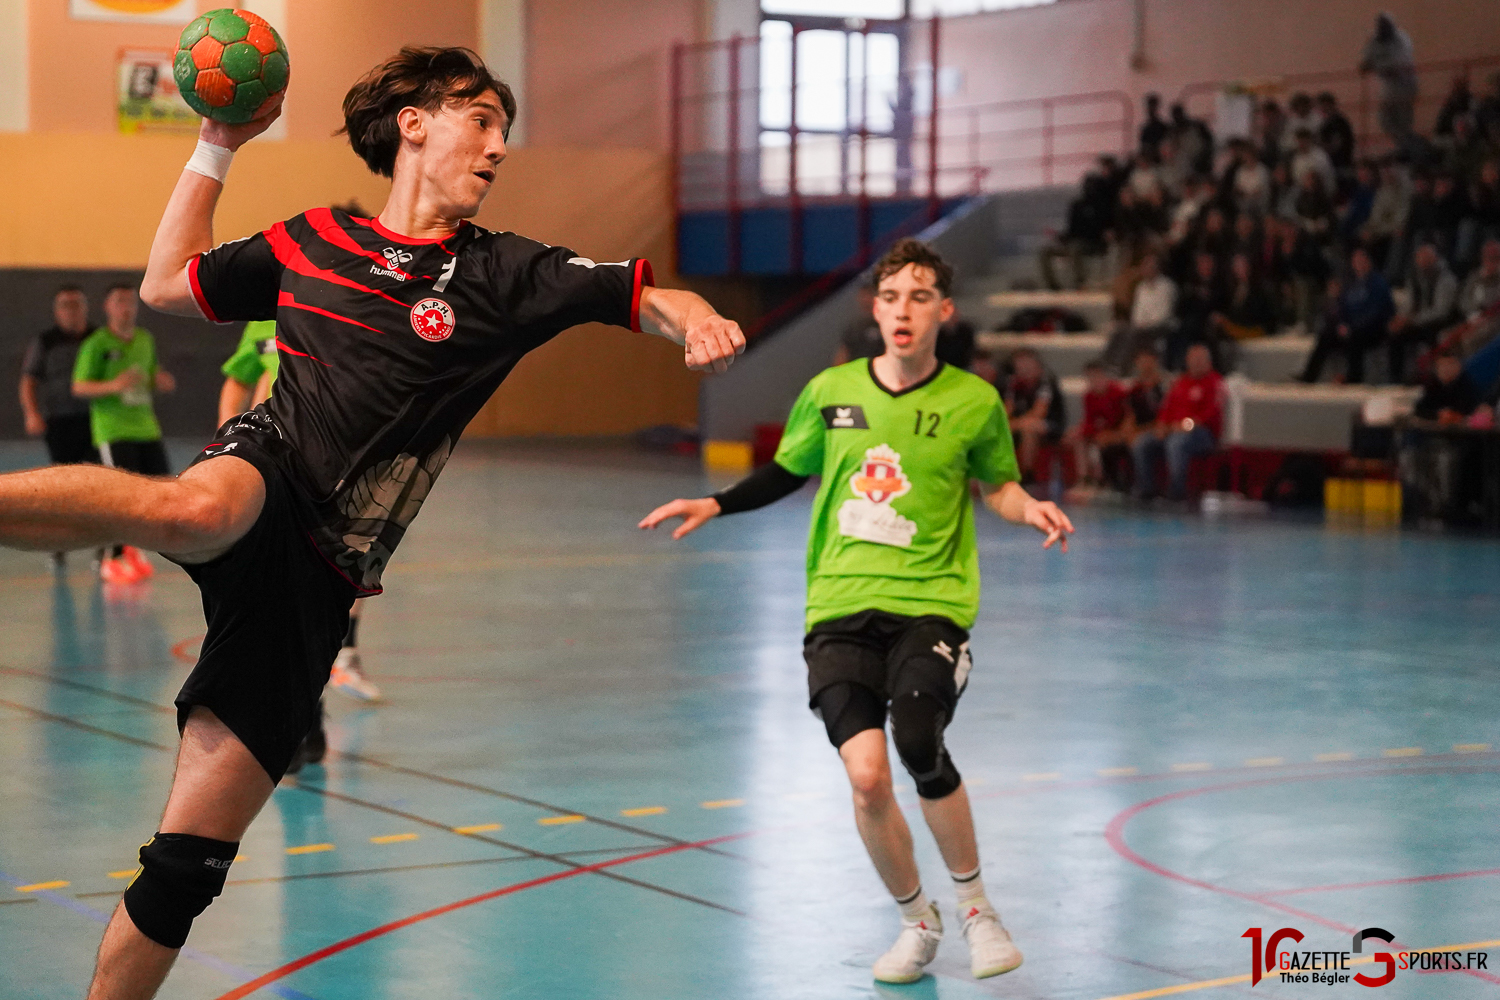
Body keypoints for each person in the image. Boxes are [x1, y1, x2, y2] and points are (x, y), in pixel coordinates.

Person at [0, 47, 744, 999]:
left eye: (503, 127)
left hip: (325, 575)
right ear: (414, 123)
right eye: (480, 118)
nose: (500, 145)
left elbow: (643, 296)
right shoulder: (311, 238)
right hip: (265, 472)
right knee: (185, 503)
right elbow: (165, 284)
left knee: (184, 871)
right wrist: (217, 145)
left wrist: (702, 320)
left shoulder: (505, 272)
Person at [639, 238, 1071, 986]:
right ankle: (917, 921)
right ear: (876, 309)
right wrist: (715, 500)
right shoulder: (832, 391)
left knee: (916, 734)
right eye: (892, 297)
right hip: (838, 604)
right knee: (867, 777)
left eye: (920, 297)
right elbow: (788, 470)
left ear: (944, 310)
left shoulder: (974, 403)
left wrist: (1027, 507)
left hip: (930, 604)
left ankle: (977, 909)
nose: (904, 311)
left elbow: (998, 484)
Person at [71, 283, 177, 584]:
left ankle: (130, 548)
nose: (126, 307)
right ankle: (110, 557)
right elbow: (79, 386)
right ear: (107, 307)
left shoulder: (145, 339)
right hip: (114, 429)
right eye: (119, 301)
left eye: (131, 301)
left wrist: (160, 381)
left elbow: (152, 373)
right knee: (119, 495)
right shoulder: (97, 343)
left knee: (162, 490)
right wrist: (113, 386)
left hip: (146, 427)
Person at [19, 286, 99, 567]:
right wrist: (32, 413)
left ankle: (100, 547)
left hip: (96, 421)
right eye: (65, 305)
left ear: (85, 308)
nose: (71, 310)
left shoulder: (98, 338)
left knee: (97, 484)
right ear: (57, 311)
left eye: (76, 304)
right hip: (60, 421)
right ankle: (58, 546)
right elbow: (29, 381)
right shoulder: (46, 342)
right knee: (61, 485)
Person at [1132, 342, 1223, 502]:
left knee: (1176, 443)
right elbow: (1166, 410)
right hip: (1173, 430)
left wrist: (1186, 425)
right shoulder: (1180, 382)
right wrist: (1161, 426)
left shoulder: (1214, 382)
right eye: (1193, 359)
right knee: (1142, 443)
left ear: (1209, 361)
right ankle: (1147, 489)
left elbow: (1210, 414)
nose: (1196, 363)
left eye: (1200, 359)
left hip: (1201, 435)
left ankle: (1177, 492)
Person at [1297, 247, 1395, 383]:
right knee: (1326, 336)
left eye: (1361, 260)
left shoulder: (1378, 283)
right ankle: (1308, 377)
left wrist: (1353, 327)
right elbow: (1343, 308)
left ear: (1369, 262)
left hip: (1373, 329)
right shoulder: (1351, 284)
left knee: (1356, 338)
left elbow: (1377, 312)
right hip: (1351, 327)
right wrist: (1341, 324)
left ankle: (1354, 379)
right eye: (1355, 261)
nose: (1358, 264)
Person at [1387, 243, 1460, 383]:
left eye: (1426, 260)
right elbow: (1409, 302)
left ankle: (1434, 378)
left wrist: (1412, 320)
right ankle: (1395, 379)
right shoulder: (1414, 277)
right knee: (1395, 335)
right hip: (1418, 320)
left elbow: (1441, 311)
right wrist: (1401, 318)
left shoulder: (1446, 278)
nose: (1422, 264)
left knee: (1433, 335)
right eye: (1420, 260)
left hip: (1440, 321)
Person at [997, 347, 1065, 483]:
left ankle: (1027, 474)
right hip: (1020, 423)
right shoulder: (1013, 383)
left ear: (1035, 363)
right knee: (997, 429)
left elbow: (1039, 413)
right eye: (1019, 364)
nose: (1022, 368)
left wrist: (1016, 424)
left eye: (1025, 363)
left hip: (1050, 424)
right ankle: (998, 472)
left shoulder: (1046, 382)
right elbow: (1007, 410)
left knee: (1029, 427)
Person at [1065, 359, 1132, 491]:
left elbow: (1127, 419)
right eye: (1090, 377)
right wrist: (1080, 431)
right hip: (1101, 432)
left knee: (1100, 441)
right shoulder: (1089, 396)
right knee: (1079, 439)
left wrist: (1113, 433)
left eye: (1097, 376)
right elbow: (1090, 421)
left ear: (1105, 376)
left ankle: (1102, 480)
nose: (1094, 381)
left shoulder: (1118, 393)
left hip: (1118, 432)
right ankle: (1084, 479)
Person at [1360, 12, 1418, 156]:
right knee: (1384, 118)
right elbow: (1363, 65)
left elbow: (1399, 64)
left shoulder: (1401, 38)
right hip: (1388, 85)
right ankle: (1401, 144)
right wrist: (1379, 66)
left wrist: (1377, 66)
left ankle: (1407, 147)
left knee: (1403, 119)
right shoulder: (1375, 40)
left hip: (1405, 82)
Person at [1412, 352, 1481, 423]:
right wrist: (1438, 414)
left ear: (1459, 366)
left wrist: (1453, 415)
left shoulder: (1467, 387)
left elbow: (1472, 409)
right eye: (1442, 365)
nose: (1446, 369)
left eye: (1450, 364)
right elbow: (1421, 409)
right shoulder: (1432, 386)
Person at [1316, 92, 1356, 175]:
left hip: (1340, 162)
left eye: (1325, 105)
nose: (1323, 108)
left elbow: (1339, 143)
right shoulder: (1325, 121)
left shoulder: (1338, 121)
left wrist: (1325, 148)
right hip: (1332, 161)